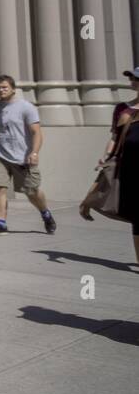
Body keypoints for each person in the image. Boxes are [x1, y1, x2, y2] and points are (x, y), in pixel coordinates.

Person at [0, 74, 56, 236]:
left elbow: (36, 133)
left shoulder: (26, 107)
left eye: (4, 87)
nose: (1, 90)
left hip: (22, 156)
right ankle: (1, 224)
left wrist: (34, 152)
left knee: (32, 191)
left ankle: (46, 213)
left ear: (13, 89)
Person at [82, 67, 139, 268]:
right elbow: (115, 137)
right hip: (130, 168)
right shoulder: (123, 110)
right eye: (132, 77)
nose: (133, 80)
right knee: (137, 216)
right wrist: (106, 157)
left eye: (136, 78)